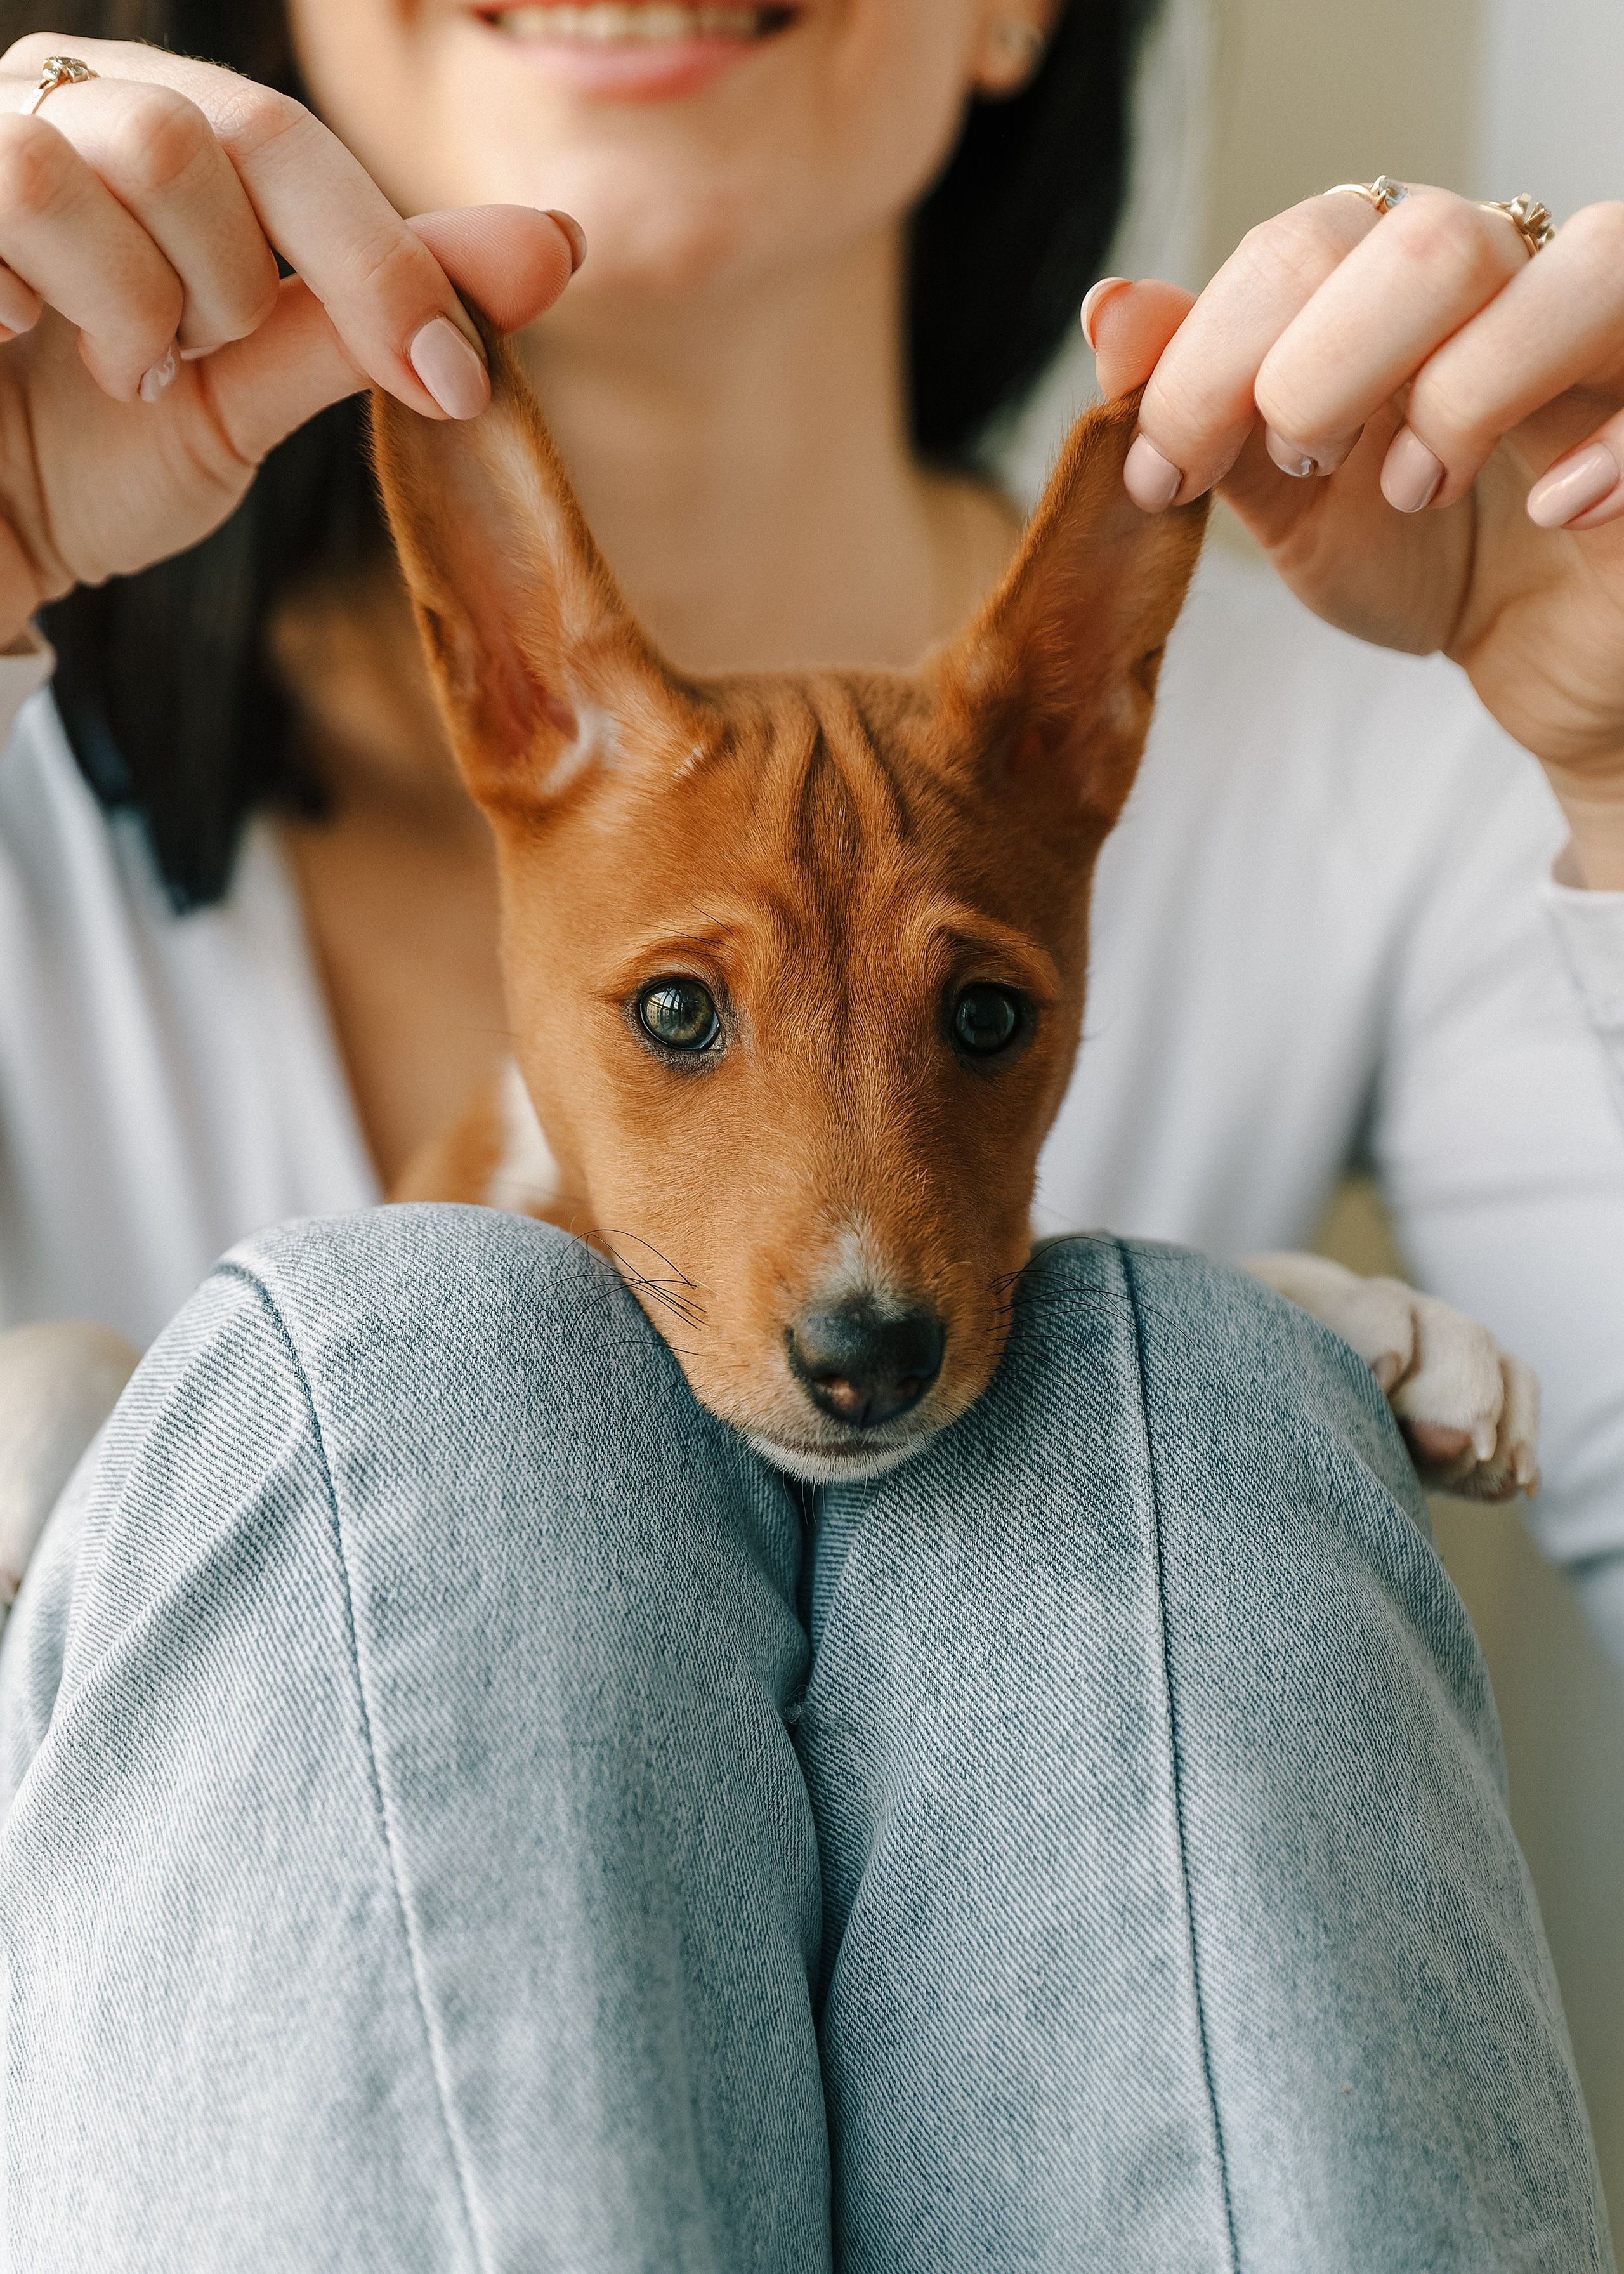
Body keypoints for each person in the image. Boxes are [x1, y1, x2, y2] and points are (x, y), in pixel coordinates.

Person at [0, 1, 1620, 2261]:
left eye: (975, 1016)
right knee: (434, 1364)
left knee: (1169, 1392)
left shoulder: (1416, 714)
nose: (864, 1249)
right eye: (678, 1011)